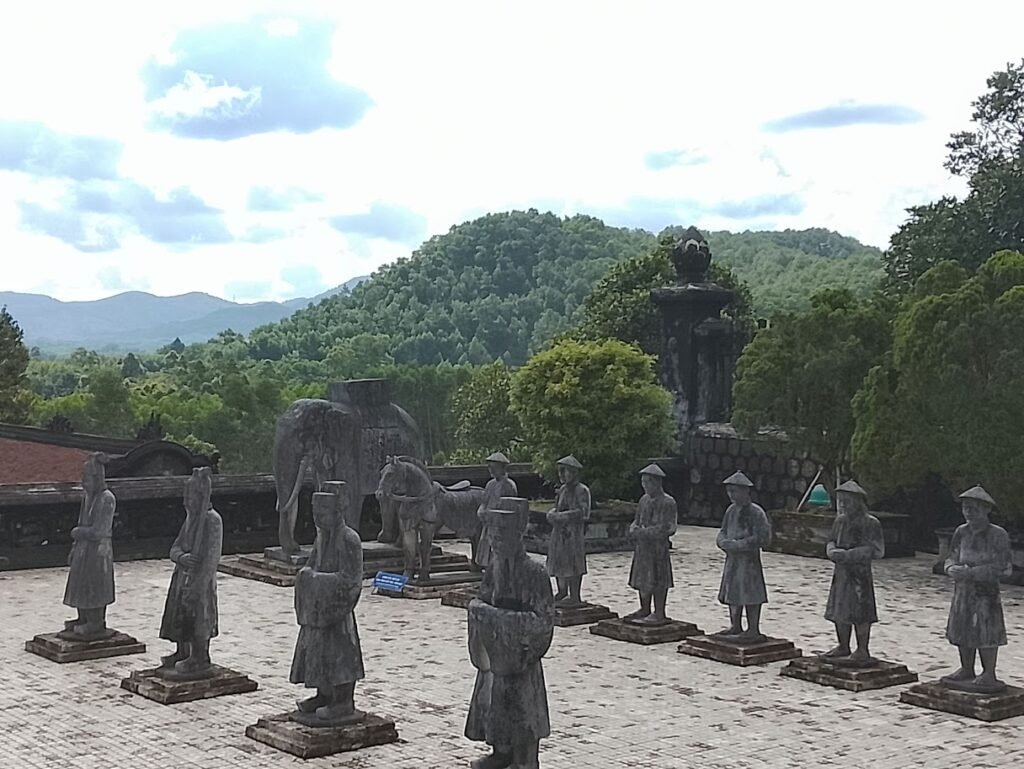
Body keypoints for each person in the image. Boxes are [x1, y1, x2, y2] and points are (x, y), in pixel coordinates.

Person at [466, 498, 553, 769]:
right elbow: (482, 598)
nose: (495, 540)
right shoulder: (494, 568)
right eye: (493, 534)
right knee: (495, 702)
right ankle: (500, 751)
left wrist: (503, 622)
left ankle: (525, 760)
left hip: (521, 658)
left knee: (523, 708)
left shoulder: (535, 573)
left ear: (518, 533)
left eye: (502, 534)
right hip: (496, 652)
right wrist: (480, 612)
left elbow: (543, 622)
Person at [289, 489, 366, 726]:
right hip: (318, 608)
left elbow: (351, 580)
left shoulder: (349, 539)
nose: (318, 518)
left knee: (340, 653)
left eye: (323, 513)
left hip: (337, 611)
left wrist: (316, 580)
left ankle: (343, 701)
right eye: (315, 513)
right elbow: (310, 567)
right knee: (317, 650)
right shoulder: (321, 538)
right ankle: (323, 694)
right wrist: (308, 577)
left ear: (337, 511)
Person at [941, 485, 1012, 693]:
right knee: (961, 627)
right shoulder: (961, 532)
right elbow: (951, 555)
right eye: (966, 508)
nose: (969, 512)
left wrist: (975, 573)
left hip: (985, 593)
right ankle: (966, 668)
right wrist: (951, 568)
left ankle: (988, 672)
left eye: (974, 508)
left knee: (986, 630)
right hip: (963, 591)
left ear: (986, 510)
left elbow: (1004, 566)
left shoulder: (997, 535)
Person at [158, 467, 223, 678]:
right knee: (179, 615)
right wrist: (181, 557)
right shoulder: (190, 520)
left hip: (200, 582)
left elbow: (212, 558)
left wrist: (198, 585)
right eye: (185, 496)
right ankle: (181, 651)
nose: (187, 501)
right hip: (182, 576)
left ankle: (200, 658)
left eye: (191, 496)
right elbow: (175, 548)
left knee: (199, 618)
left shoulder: (212, 520)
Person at [822, 480, 884, 664]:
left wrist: (851, 555)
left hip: (860, 575)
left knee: (861, 611)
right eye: (841, 501)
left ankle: (862, 649)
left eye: (847, 501)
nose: (843, 505)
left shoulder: (871, 523)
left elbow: (877, 550)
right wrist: (832, 551)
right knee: (839, 608)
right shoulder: (839, 521)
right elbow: (831, 540)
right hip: (841, 573)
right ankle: (843, 645)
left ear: (858, 502)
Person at [59, 453, 116, 641]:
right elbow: (82, 522)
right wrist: (75, 546)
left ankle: (96, 621)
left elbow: (99, 530)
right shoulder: (87, 497)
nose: (84, 483)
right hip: (83, 548)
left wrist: (78, 533)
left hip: (99, 550)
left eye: (87, 478)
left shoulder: (106, 498)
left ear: (97, 478)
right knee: (80, 583)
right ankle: (82, 617)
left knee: (96, 584)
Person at [714, 471, 771, 641]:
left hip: (749, 561)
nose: (731, 495)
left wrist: (740, 544)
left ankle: (753, 629)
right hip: (733, 559)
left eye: (735, 491)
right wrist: (723, 541)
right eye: (729, 491)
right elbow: (723, 531)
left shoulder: (756, 512)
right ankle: (735, 625)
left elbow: (763, 538)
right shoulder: (730, 511)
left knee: (751, 592)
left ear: (746, 491)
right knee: (733, 592)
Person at [623, 464, 677, 626]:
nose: (645, 485)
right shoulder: (644, 500)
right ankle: (644, 608)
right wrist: (634, 528)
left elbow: (669, 527)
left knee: (659, 578)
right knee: (642, 577)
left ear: (657, 482)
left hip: (658, 548)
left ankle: (659, 612)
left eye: (648, 482)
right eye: (643, 482)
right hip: (643, 547)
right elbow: (637, 519)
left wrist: (647, 532)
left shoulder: (668, 502)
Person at [546, 455, 590, 608]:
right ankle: (562, 591)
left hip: (573, 533)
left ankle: (575, 595)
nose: (562, 475)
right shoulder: (563, 489)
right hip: (559, 532)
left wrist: (561, 517)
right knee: (558, 560)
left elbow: (582, 512)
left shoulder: (582, 490)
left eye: (564, 472)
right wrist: (552, 513)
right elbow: (557, 506)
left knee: (573, 562)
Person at [475, 452, 518, 571]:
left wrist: (495, 516)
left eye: (494, 467)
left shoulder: (509, 485)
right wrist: (481, 511)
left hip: (502, 528)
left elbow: (511, 509)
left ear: (503, 467)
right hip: (489, 526)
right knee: (487, 557)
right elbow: (484, 502)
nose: (491, 470)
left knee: (500, 559)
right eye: (489, 467)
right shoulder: (490, 484)